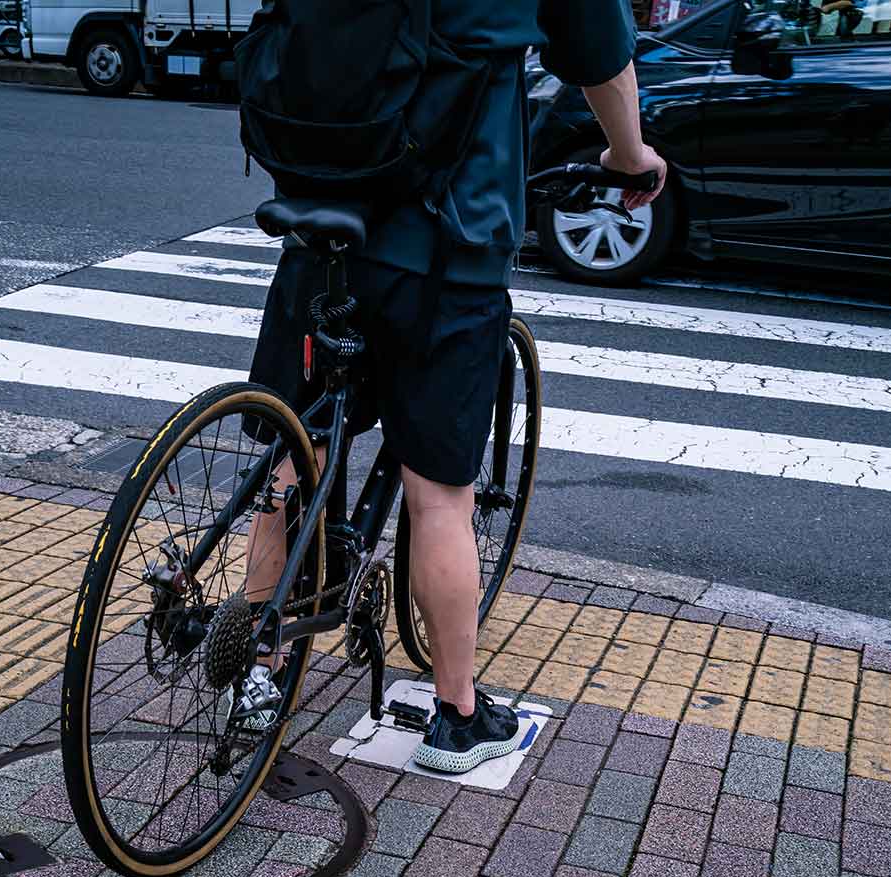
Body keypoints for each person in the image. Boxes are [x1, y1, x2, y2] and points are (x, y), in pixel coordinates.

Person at [245, 0, 665, 775]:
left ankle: (256, 671)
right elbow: (599, 54)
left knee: (289, 454)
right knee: (440, 495)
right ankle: (458, 718)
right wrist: (630, 155)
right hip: (445, 245)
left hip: (315, 212)